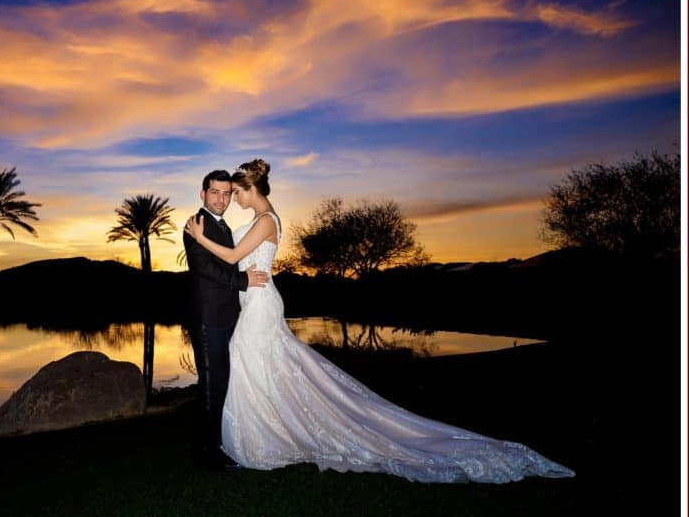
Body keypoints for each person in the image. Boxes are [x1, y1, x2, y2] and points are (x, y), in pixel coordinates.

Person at [183, 159, 575, 483]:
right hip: (250, 303)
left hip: (260, 303)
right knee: (260, 367)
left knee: (263, 364)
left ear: (251, 189)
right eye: (225, 194)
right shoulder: (256, 219)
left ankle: (267, 436)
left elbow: (233, 259)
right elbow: (231, 261)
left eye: (235, 192)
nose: (231, 199)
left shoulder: (267, 220)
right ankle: (258, 434)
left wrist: (199, 239)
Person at [183, 169, 268, 469]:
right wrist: (243, 281)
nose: (221, 199)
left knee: (221, 384)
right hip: (208, 318)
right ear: (203, 194)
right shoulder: (196, 224)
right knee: (211, 386)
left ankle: (209, 446)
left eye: (226, 193)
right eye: (215, 192)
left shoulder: (223, 226)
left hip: (227, 317)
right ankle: (207, 453)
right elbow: (206, 268)